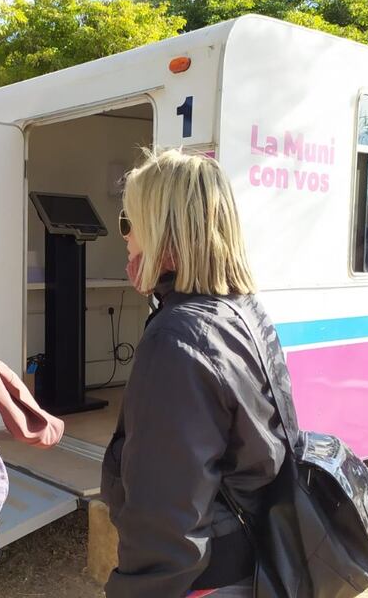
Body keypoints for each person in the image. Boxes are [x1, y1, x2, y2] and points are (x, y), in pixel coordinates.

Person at [100, 150, 291, 597]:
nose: (124, 237)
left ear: (161, 229)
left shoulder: (178, 338)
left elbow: (165, 519)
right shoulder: (243, 312)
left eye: (129, 221)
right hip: (251, 560)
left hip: (201, 580)